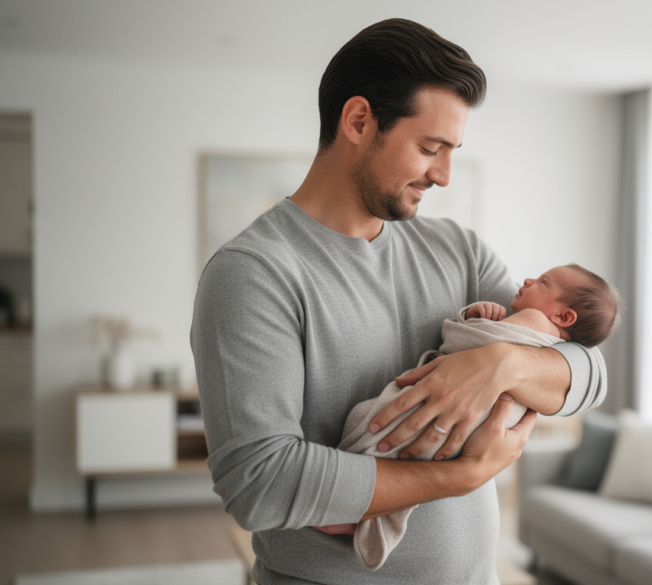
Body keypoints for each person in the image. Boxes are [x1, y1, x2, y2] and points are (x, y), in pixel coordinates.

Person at [189, 18, 607, 585]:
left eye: (452, 151)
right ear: (359, 120)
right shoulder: (253, 273)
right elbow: (261, 483)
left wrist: (501, 363)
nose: (444, 174)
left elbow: (586, 373)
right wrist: (459, 477)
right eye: (430, 148)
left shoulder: (459, 251)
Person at [334, 264, 621, 570]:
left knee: (370, 424)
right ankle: (370, 512)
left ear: (563, 317)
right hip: (479, 433)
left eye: (543, 281)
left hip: (472, 416)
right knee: (411, 458)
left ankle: (350, 502)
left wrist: (484, 335)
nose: (527, 280)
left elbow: (469, 342)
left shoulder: (532, 317)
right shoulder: (547, 335)